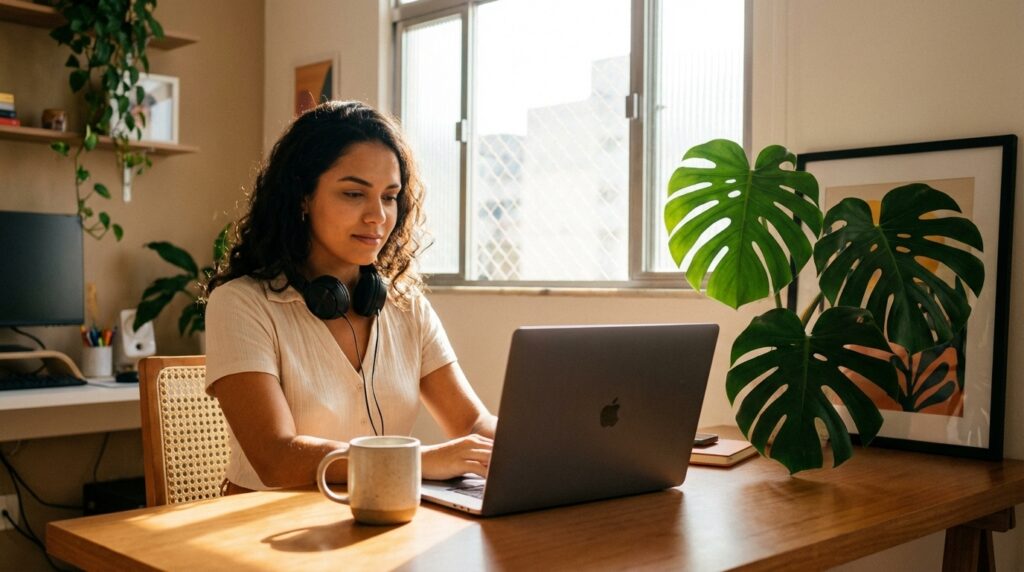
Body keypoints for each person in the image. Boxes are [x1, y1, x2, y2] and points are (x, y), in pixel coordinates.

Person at [205, 101, 496, 492]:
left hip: (380, 521)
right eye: (354, 194)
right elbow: (275, 456)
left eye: (390, 196)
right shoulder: (241, 304)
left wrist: (529, 443)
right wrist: (419, 459)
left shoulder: (406, 307)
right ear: (302, 197)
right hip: (264, 532)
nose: (377, 216)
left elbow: (472, 423)